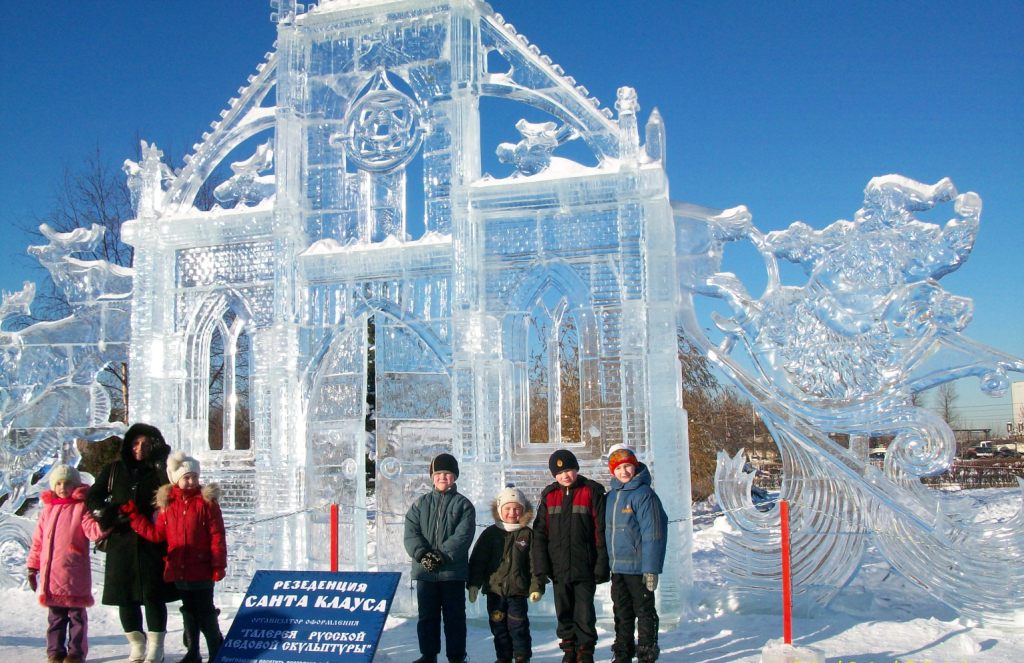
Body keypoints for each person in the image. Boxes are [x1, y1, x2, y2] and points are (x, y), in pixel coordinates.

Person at [86, 423, 178, 663]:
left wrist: (161, 466)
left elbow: (174, 495)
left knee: (153, 596)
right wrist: (108, 514)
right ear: (128, 445)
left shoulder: (161, 470)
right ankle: (136, 644)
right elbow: (93, 497)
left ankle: (156, 646)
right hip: (121, 541)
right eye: (136, 443)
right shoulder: (114, 469)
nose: (140, 448)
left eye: (146, 444)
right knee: (125, 597)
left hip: (152, 542)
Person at [123, 451, 227, 663]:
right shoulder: (169, 505)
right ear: (176, 480)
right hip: (179, 568)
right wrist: (135, 518)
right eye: (186, 478)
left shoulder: (207, 503)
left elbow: (217, 536)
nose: (191, 482)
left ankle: (216, 651)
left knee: (206, 610)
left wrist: (218, 564)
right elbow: (157, 534)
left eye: (194, 477)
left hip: (202, 567)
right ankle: (193, 652)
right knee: (188, 610)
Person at [532, 449, 609, 663]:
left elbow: (601, 531)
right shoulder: (549, 496)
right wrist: (541, 567)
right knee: (564, 611)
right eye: (559, 473)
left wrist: (601, 563)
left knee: (584, 613)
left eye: (568, 470)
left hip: (585, 566)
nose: (565, 475)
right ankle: (569, 649)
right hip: (558, 568)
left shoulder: (591, 491)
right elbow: (540, 534)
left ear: (576, 469)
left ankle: (585, 651)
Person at [28, 465, 108, 663]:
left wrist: (106, 522)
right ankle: (55, 652)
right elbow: (38, 541)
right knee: (55, 618)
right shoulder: (48, 509)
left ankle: (76, 653)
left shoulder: (81, 507)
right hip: (52, 574)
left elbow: (92, 530)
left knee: (76, 617)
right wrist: (32, 566)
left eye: (67, 483)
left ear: (76, 485)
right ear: (53, 486)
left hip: (73, 573)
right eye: (59, 483)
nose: (63, 487)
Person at [403, 453, 476, 663]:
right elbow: (411, 532)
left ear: (455, 477)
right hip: (425, 572)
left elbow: (463, 536)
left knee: (455, 617)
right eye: (438, 474)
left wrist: (440, 555)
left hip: (452, 572)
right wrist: (422, 554)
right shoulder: (420, 504)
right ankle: (428, 655)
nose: (442, 477)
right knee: (427, 616)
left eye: (447, 474)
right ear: (432, 477)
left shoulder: (463, 505)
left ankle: (456, 656)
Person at [603, 444, 667, 663]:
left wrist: (651, 569)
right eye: (618, 468)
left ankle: (646, 653)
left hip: (638, 568)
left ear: (635, 466)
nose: (624, 471)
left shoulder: (644, 495)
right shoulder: (611, 496)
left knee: (644, 611)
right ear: (612, 471)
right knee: (621, 612)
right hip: (617, 568)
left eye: (627, 466)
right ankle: (623, 652)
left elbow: (653, 533)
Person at [468, 485, 545, 663]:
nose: (512, 513)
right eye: (507, 508)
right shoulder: (490, 534)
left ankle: (521, 656)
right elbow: (478, 561)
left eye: (517, 509)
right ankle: (503, 657)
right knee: (499, 627)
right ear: (499, 510)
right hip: (495, 592)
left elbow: (536, 563)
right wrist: (473, 584)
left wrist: (536, 586)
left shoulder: (527, 534)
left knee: (518, 626)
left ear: (523, 510)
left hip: (517, 592)